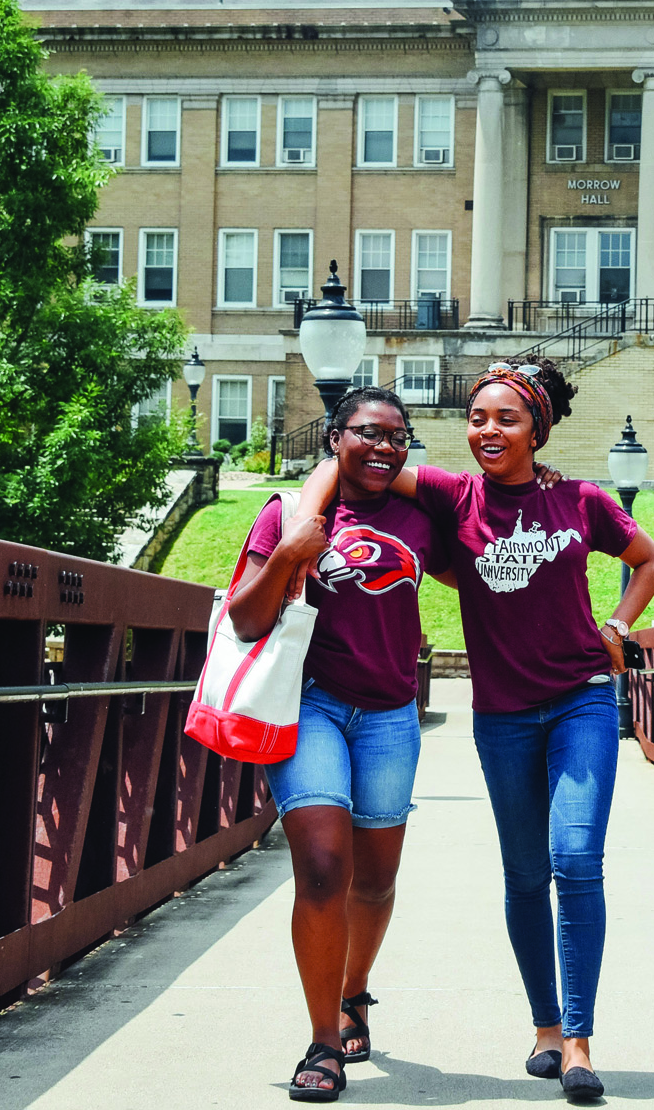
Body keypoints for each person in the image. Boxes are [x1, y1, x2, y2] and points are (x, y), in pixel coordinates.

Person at [302, 356, 654, 1103]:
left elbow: (651, 559)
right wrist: (307, 524)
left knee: (575, 858)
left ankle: (578, 1039)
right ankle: (542, 1024)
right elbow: (347, 463)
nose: (487, 431)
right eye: (476, 418)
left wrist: (619, 621)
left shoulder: (582, 500)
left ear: (538, 426)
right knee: (526, 874)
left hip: (581, 699)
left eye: (505, 418)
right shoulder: (451, 493)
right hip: (502, 713)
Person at [228, 386, 445, 1103]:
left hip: (389, 714)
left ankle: (355, 991)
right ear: (334, 437)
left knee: (375, 882)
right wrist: (290, 550)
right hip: (311, 705)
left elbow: (487, 561)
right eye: (367, 433)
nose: (383, 446)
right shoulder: (292, 514)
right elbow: (243, 618)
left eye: (397, 435)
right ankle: (323, 1041)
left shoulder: (419, 517)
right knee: (324, 867)